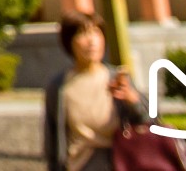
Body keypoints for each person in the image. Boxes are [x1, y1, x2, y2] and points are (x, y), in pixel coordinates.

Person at [42, 11, 144, 171]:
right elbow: (52, 141)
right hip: (78, 165)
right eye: (83, 34)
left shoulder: (117, 79)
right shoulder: (59, 87)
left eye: (96, 33)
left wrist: (132, 99)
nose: (92, 41)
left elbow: (150, 121)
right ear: (69, 42)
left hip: (119, 163)